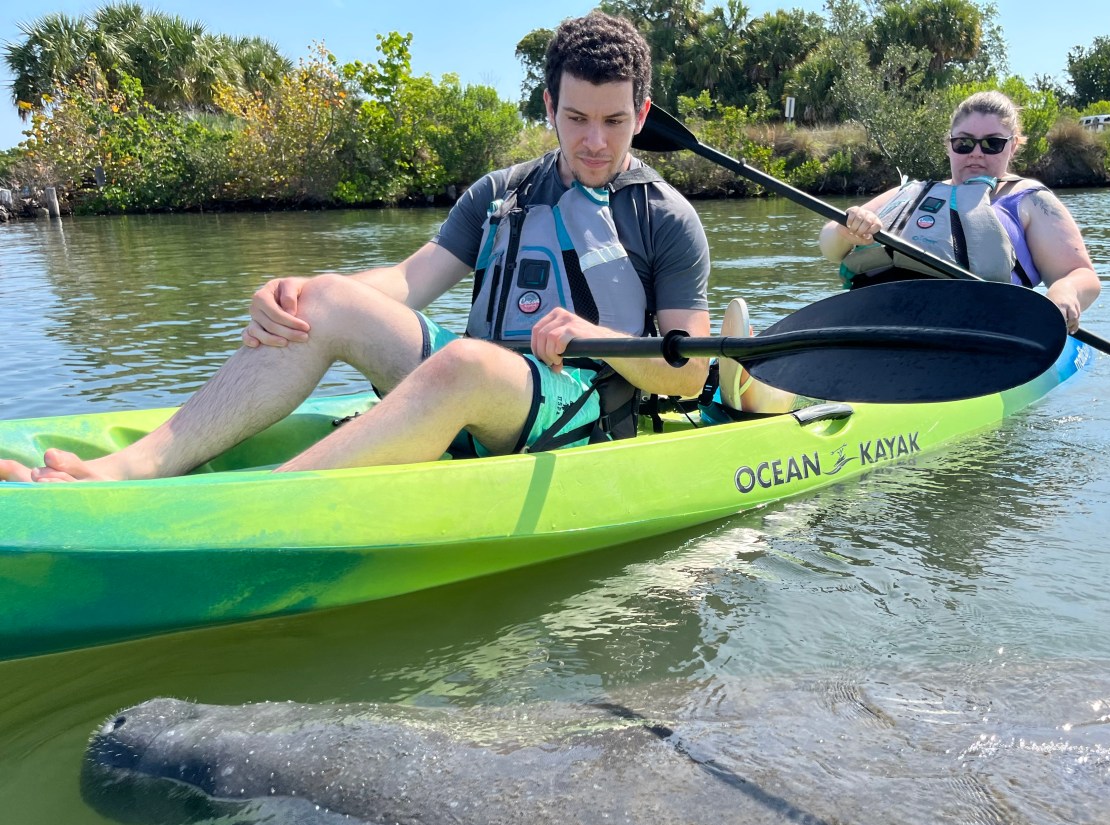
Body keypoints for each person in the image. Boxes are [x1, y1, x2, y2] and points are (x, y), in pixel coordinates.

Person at [0, 12, 709, 484]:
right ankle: (132, 468)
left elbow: (686, 376)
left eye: (614, 122)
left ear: (641, 114)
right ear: (548, 107)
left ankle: (260, 508)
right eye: (576, 117)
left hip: (579, 420)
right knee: (323, 298)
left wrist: (594, 336)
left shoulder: (664, 219)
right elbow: (407, 281)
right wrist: (292, 295)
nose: (593, 141)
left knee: (465, 361)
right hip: (483, 396)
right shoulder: (501, 193)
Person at [718, 89, 1100, 415]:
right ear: (949, 144)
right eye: (964, 143)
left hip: (971, 335)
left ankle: (772, 390)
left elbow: (1082, 275)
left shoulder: (1029, 200)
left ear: (1013, 145)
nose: (976, 154)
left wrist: (1064, 293)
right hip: (877, 323)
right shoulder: (912, 193)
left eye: (993, 144)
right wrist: (851, 227)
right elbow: (829, 245)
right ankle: (759, 383)